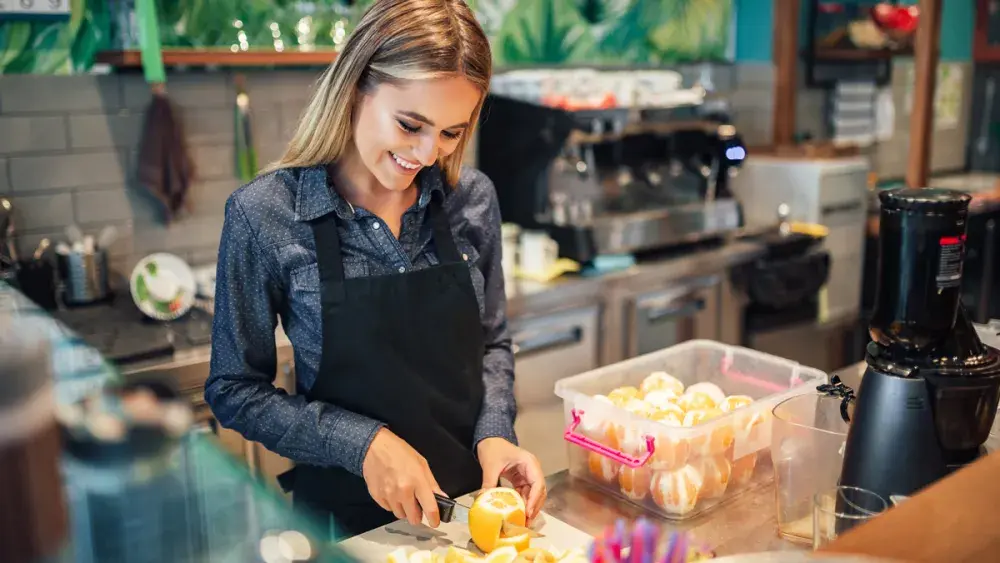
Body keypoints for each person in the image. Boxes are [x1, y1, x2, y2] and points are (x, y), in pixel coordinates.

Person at [204, 0, 545, 539]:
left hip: (466, 518)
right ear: (355, 86)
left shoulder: (472, 199)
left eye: (453, 133)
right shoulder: (264, 214)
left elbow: (492, 344)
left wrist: (496, 434)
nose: (428, 153)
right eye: (411, 124)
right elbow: (233, 388)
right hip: (341, 530)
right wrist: (362, 443)